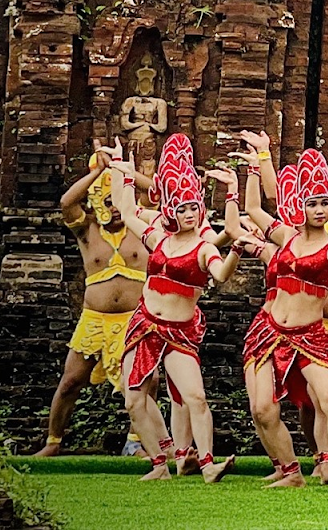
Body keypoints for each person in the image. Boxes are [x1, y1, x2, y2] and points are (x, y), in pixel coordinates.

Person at [105, 134, 244, 482]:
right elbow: (125, 210)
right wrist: (122, 168)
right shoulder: (158, 238)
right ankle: (159, 462)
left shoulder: (205, 245)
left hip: (179, 332)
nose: (188, 214)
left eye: (193, 208)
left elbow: (222, 271)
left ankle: (207, 462)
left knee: (195, 396)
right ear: (171, 211)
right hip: (145, 324)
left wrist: (233, 197)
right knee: (134, 401)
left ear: (200, 209)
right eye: (181, 209)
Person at [239, 136, 328, 490]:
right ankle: (290, 472)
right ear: (301, 205)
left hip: (310, 334)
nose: (319, 210)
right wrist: (256, 164)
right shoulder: (285, 236)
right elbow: (253, 209)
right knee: (262, 410)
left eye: (325, 203)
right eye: (313, 203)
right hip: (269, 330)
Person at [34, 144, 156, 457]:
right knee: (71, 381)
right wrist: (99, 171)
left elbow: (156, 189)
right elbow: (66, 202)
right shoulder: (87, 230)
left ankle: (135, 442)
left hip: (134, 319)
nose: (113, 208)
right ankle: (53, 442)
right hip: (95, 319)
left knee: (146, 380)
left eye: (117, 201)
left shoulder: (140, 225)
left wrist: (122, 170)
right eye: (107, 201)